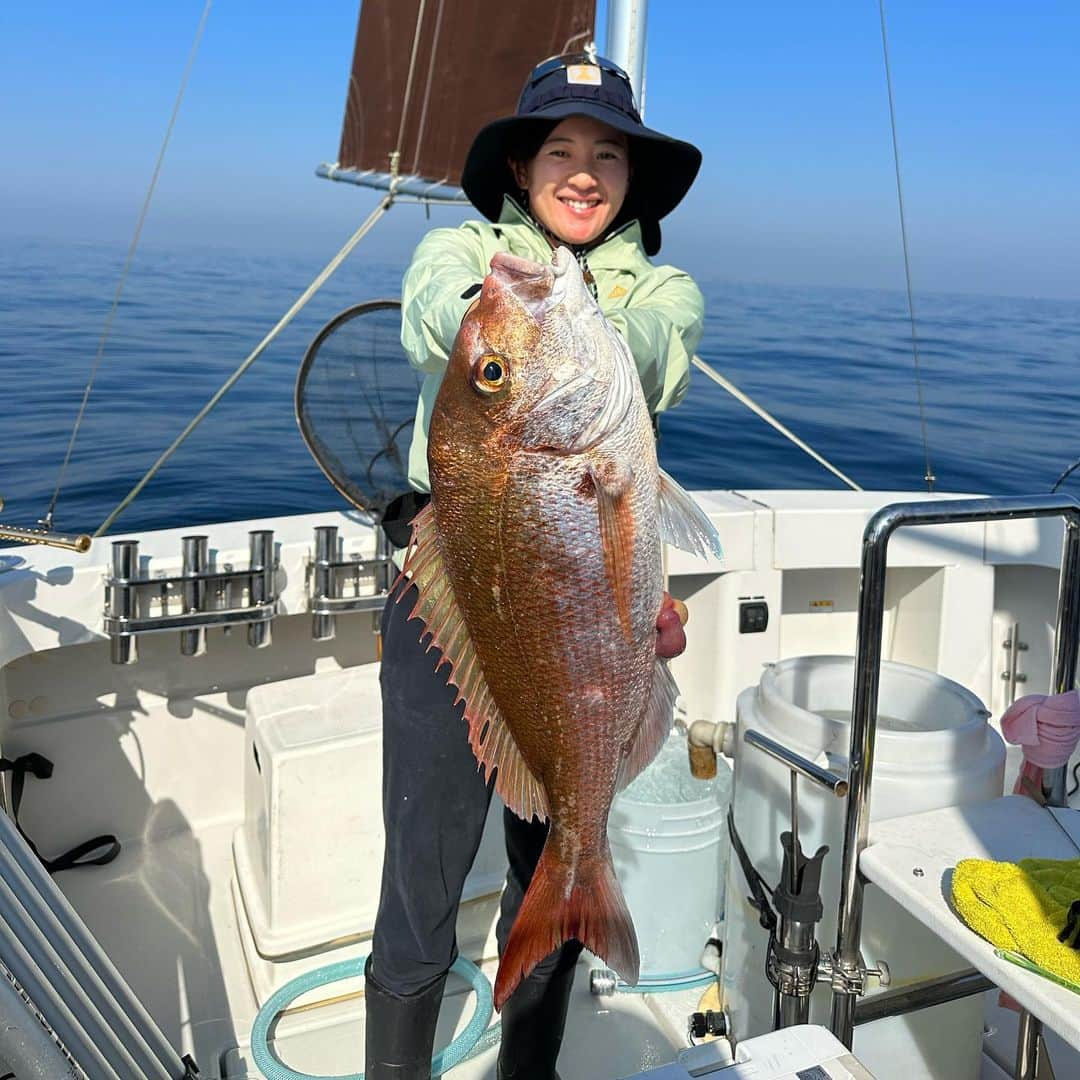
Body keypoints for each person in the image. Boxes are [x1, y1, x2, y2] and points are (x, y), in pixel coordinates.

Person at [365, 52, 704, 1080]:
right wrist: (503, 314)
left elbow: (653, 347)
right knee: (420, 872)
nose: (585, 170)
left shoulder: (664, 287)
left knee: (547, 860)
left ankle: (531, 1067)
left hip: (585, 603)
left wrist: (561, 319)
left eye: (608, 153)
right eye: (560, 148)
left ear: (633, 179)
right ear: (521, 166)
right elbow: (433, 312)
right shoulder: (467, 251)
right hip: (449, 604)